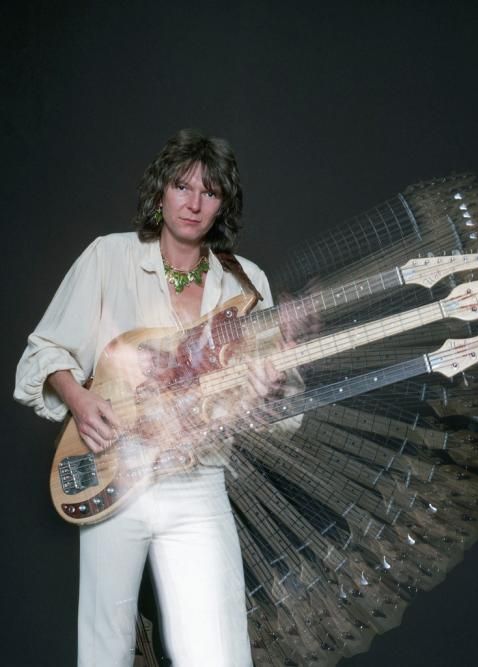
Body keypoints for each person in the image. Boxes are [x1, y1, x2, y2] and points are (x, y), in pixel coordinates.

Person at [14, 129, 291, 666]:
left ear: (222, 205)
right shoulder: (109, 256)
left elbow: (279, 404)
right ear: (160, 190)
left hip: (200, 482)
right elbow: (44, 351)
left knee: (217, 650)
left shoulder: (246, 283)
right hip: (117, 469)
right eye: (182, 186)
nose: (193, 203)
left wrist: (271, 387)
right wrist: (79, 400)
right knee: (106, 643)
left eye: (210, 192)